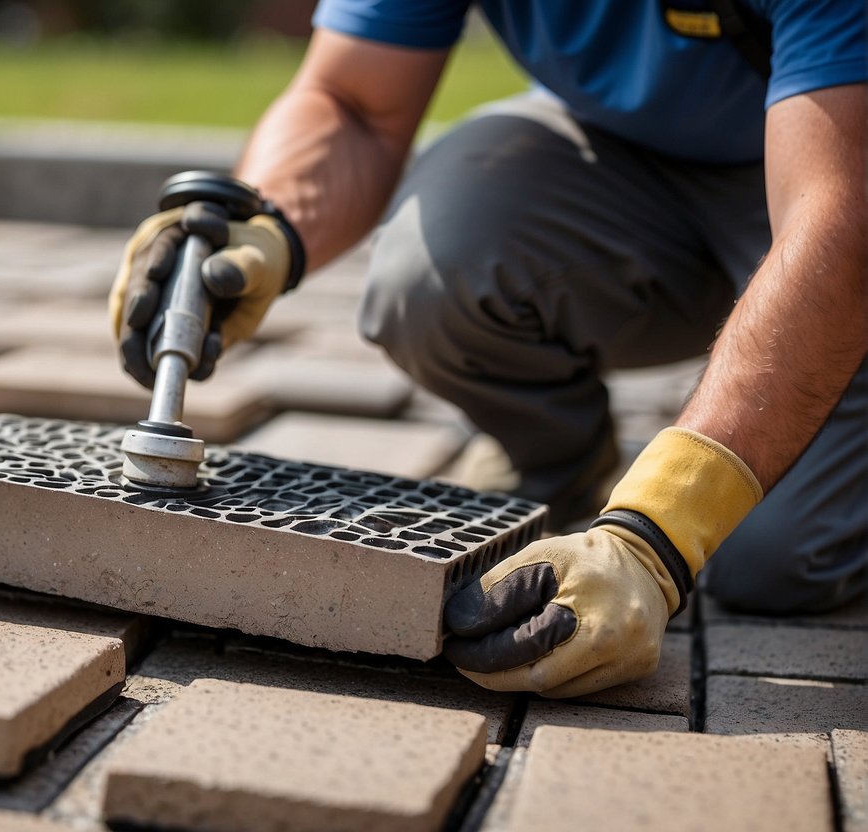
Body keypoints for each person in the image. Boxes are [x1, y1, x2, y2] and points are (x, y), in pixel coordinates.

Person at [109, 1, 867, 697]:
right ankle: (559, 469)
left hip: (839, 181)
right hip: (628, 160)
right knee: (430, 271)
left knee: (772, 560)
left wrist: (656, 536)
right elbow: (351, 100)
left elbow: (839, 230)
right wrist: (264, 225)